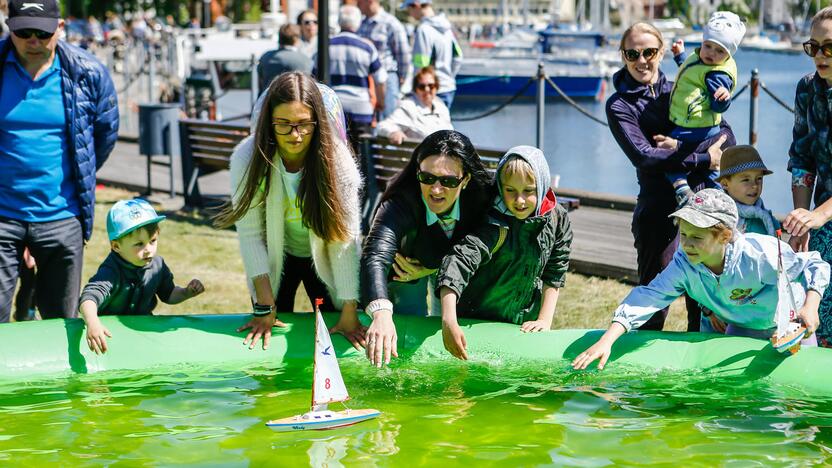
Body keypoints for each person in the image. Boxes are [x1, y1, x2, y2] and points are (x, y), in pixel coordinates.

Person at [573, 189, 830, 371]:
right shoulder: (684, 264)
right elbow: (648, 297)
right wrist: (606, 341)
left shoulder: (757, 253)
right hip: (743, 326)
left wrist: (811, 307)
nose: (686, 244)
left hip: (791, 325)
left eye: (696, 237)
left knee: (797, 401)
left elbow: (814, 265)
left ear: (724, 236)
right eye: (684, 234)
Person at [214, 72, 364, 351]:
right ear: (268, 124)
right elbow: (250, 235)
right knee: (267, 339)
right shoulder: (246, 159)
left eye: (304, 124)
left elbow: (345, 239)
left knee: (336, 338)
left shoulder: (339, 163)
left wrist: (349, 309)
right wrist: (263, 306)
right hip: (276, 255)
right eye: (283, 125)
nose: (295, 135)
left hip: (327, 260)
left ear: (317, 121)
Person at [606, 22, 734, 332]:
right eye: (632, 53)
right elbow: (645, 156)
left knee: (704, 307)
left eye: (649, 52)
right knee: (653, 306)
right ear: (622, 56)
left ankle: (699, 375)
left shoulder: (684, 85)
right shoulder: (620, 105)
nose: (641, 60)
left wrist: (685, 148)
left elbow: (725, 132)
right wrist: (704, 157)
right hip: (658, 210)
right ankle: (640, 376)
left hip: (704, 207)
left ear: (662, 52)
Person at [0, 0, 118, 323]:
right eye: (24, 32)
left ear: (60, 28)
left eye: (43, 32)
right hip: (2, 217)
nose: (34, 41)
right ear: (10, 28)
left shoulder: (88, 73)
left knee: (59, 323)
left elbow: (101, 138)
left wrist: (79, 174)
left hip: (61, 218)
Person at [361, 130, 494, 367]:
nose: (436, 190)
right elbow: (375, 256)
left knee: (451, 328)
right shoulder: (399, 203)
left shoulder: (483, 198)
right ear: (417, 172)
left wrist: (434, 267)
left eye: (449, 181)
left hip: (456, 271)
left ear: (465, 180)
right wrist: (381, 313)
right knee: (408, 328)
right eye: (427, 178)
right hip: (407, 272)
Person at [437, 146, 572, 360]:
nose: (519, 200)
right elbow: (459, 261)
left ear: (543, 186)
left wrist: (544, 321)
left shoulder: (558, 219)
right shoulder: (493, 222)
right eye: (510, 190)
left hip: (522, 323)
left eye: (529, 191)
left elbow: (555, 272)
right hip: (475, 320)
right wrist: (449, 320)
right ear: (500, 187)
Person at [79, 199, 205, 354]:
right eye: (139, 244)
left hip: (142, 330)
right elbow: (88, 298)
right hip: (108, 333)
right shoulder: (112, 269)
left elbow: (169, 294)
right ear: (116, 246)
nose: (148, 250)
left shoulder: (157, 266)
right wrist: (93, 323)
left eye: (152, 241)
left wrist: (186, 292)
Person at [783, 6, 832, 348]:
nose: (819, 55)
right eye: (813, 46)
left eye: (829, 46)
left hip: (825, 215)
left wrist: (817, 216)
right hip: (823, 219)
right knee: (817, 312)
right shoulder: (806, 89)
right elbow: (801, 157)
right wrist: (802, 220)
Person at [661, 11, 746, 205]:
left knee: (669, 156)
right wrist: (680, 56)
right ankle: (725, 198)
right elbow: (693, 73)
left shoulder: (717, 76)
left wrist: (723, 98)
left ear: (728, 54)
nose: (711, 53)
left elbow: (717, 106)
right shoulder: (703, 61)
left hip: (694, 127)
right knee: (713, 172)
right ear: (702, 41)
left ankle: (682, 188)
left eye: (719, 51)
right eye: (708, 46)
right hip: (703, 128)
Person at [322, 5, 387, 152]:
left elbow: (314, 78)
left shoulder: (326, 46)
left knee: (335, 154)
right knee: (362, 156)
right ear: (357, 23)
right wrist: (380, 103)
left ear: (339, 22)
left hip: (333, 109)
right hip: (362, 109)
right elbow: (380, 79)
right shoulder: (367, 47)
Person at [402, 0, 462, 109]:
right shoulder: (447, 27)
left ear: (416, 5)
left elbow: (421, 65)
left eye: (409, 9)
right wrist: (448, 77)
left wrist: (415, 89)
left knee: (427, 125)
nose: (409, 13)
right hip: (448, 87)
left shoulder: (423, 30)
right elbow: (458, 58)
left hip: (430, 90)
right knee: (442, 124)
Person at [357, 0, 411, 119]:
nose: (357, 4)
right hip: (367, 80)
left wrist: (400, 78)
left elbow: (403, 55)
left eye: (359, 1)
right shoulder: (361, 23)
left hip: (387, 79)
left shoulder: (391, 23)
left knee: (388, 120)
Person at [377, 66, 452, 144]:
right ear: (416, 89)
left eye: (431, 86)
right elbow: (382, 126)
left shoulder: (441, 106)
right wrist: (393, 133)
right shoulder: (409, 107)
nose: (427, 90)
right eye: (422, 87)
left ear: (436, 87)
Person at [716, 145, 778, 236]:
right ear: (725, 184)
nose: (754, 186)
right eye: (745, 180)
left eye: (759, 178)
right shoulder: (717, 218)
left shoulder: (770, 221)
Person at [257, 24, 312, 95]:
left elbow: (260, 82)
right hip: (295, 103)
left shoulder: (266, 57)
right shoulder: (304, 60)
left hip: (267, 101)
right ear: (297, 39)